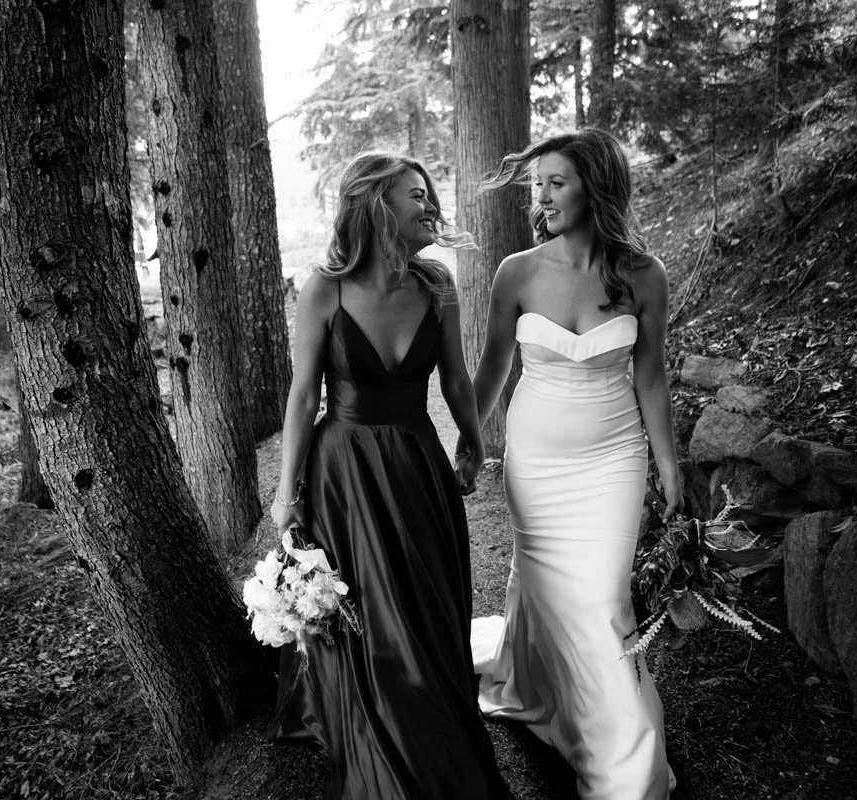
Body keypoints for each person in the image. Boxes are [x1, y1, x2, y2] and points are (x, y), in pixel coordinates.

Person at [268, 152, 512, 800]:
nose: (431, 206)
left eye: (429, 194)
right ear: (377, 207)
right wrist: (285, 491)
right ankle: (383, 734)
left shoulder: (438, 285)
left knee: (428, 602)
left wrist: (473, 441)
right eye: (416, 196)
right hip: (343, 476)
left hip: (418, 466)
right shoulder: (324, 287)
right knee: (369, 611)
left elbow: (457, 378)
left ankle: (435, 712)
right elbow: (301, 396)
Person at [466, 128, 682, 800]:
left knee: (601, 602)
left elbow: (650, 379)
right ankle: (532, 683)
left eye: (556, 181)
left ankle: (625, 768)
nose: (542, 196)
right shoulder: (518, 272)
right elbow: (495, 367)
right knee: (550, 588)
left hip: (615, 458)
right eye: (537, 184)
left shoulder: (644, 275)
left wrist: (668, 467)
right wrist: (469, 443)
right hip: (536, 462)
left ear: (596, 184)